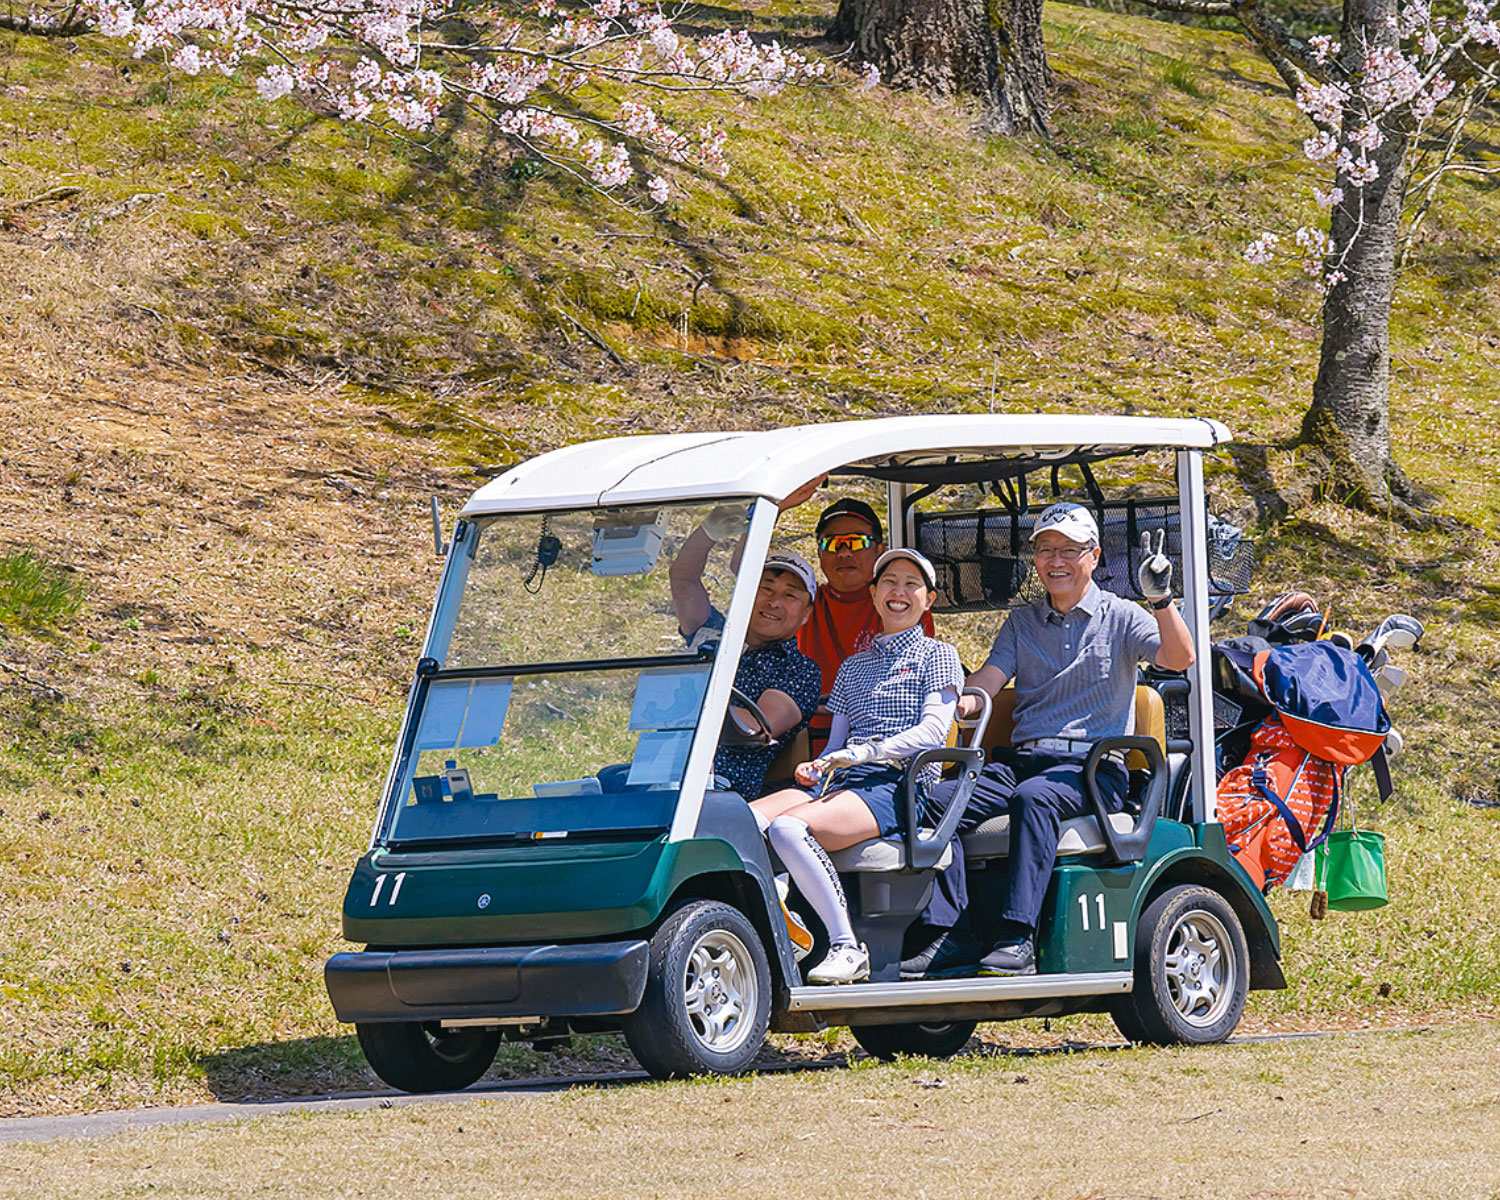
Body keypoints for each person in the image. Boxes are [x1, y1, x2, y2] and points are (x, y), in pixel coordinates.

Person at [902, 502, 1195, 979]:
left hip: (1093, 768)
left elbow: (1179, 658)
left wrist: (1160, 602)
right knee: (936, 799)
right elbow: (989, 682)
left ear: (1094, 556)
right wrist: (961, 702)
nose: (1055, 561)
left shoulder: (1121, 616)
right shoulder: (1022, 622)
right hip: (1024, 760)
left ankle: (1018, 937)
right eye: (1044, 550)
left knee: (1033, 799)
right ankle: (950, 932)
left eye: (1068, 550)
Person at [752, 549, 963, 984]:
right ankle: (777, 917)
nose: (898, 592)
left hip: (896, 784)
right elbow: (836, 742)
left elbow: (932, 732)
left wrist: (867, 753)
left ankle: (846, 946)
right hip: (845, 777)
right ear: (873, 593)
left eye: (911, 584)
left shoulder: (938, 655)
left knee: (789, 828)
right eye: (889, 583)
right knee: (746, 819)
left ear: (929, 598)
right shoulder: (853, 666)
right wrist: (819, 764)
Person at [668, 508, 822, 800]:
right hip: (661, 772)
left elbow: (753, 728)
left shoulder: (799, 670)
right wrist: (709, 532)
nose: (774, 602)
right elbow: (683, 578)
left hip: (719, 790)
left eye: (790, 595)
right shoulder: (712, 633)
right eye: (765, 589)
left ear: (805, 614)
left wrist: (672, 698)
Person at [796, 497, 935, 696]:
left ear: (880, 550)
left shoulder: (899, 603)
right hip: (812, 722)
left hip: (880, 721)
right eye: (832, 544)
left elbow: (909, 678)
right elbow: (743, 576)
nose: (844, 553)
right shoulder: (802, 603)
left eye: (856, 542)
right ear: (819, 553)